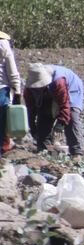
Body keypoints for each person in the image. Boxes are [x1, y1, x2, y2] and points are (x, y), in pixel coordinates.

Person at [24, 63, 84, 156]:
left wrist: (60, 124)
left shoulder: (58, 81)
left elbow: (65, 105)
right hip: (49, 92)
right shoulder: (29, 89)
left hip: (71, 88)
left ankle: (77, 152)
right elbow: (31, 109)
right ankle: (47, 152)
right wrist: (33, 128)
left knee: (72, 117)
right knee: (43, 117)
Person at [0, 31, 22, 159]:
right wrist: (17, 92)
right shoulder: (4, 47)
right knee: (2, 124)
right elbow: (12, 72)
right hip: (1, 90)